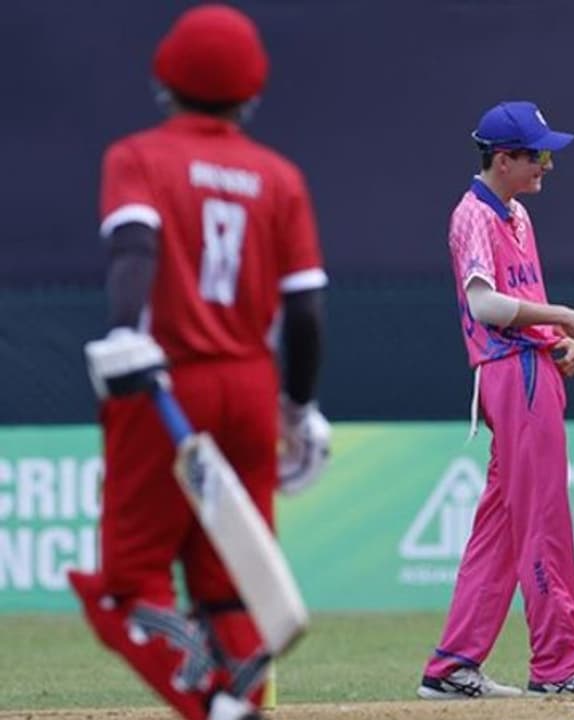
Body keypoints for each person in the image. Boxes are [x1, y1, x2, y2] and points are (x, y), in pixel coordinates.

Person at [69, 5, 329, 720]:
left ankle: (218, 703)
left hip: (164, 378)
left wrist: (127, 330)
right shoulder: (279, 177)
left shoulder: (138, 156)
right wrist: (299, 409)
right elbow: (304, 309)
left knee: (127, 587)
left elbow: (135, 247)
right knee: (230, 586)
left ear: (165, 77)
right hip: (250, 387)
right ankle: (239, 699)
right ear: (253, 91)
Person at [418, 100, 574, 698]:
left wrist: (558, 342)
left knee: (501, 528)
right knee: (544, 521)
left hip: (531, 367)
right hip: (512, 374)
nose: (547, 166)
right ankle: (558, 666)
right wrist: (558, 316)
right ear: (504, 159)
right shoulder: (473, 215)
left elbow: (519, 300)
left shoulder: (515, 215)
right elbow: (485, 306)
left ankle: (453, 665)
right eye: (538, 155)